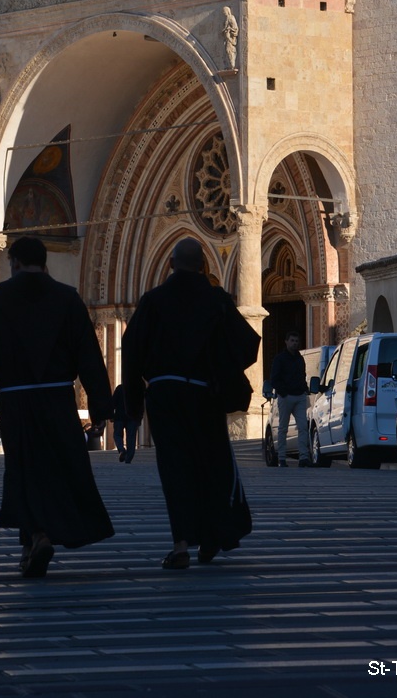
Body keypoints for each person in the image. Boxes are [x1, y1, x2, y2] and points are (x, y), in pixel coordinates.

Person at [0, 235, 114, 578]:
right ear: (45, 263)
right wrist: (101, 408)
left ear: (14, 262)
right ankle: (35, 542)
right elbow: (89, 357)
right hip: (57, 400)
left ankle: (37, 537)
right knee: (55, 470)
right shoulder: (67, 299)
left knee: (24, 469)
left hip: (16, 402)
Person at [122, 236, 260, 569]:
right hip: (204, 394)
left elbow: (131, 352)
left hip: (165, 395)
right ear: (203, 266)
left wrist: (133, 407)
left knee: (176, 468)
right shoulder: (216, 299)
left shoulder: (153, 300)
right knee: (210, 465)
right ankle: (212, 537)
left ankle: (181, 544)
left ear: (171, 264)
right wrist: (219, 369)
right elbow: (247, 344)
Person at [270, 331, 310, 468]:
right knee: (283, 428)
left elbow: (303, 375)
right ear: (286, 341)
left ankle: (303, 457)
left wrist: (304, 389)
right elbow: (274, 379)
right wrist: (283, 393)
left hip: (300, 397)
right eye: (292, 340)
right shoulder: (279, 359)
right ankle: (281, 458)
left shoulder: (300, 359)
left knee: (303, 427)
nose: (294, 343)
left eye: (296, 341)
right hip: (286, 397)